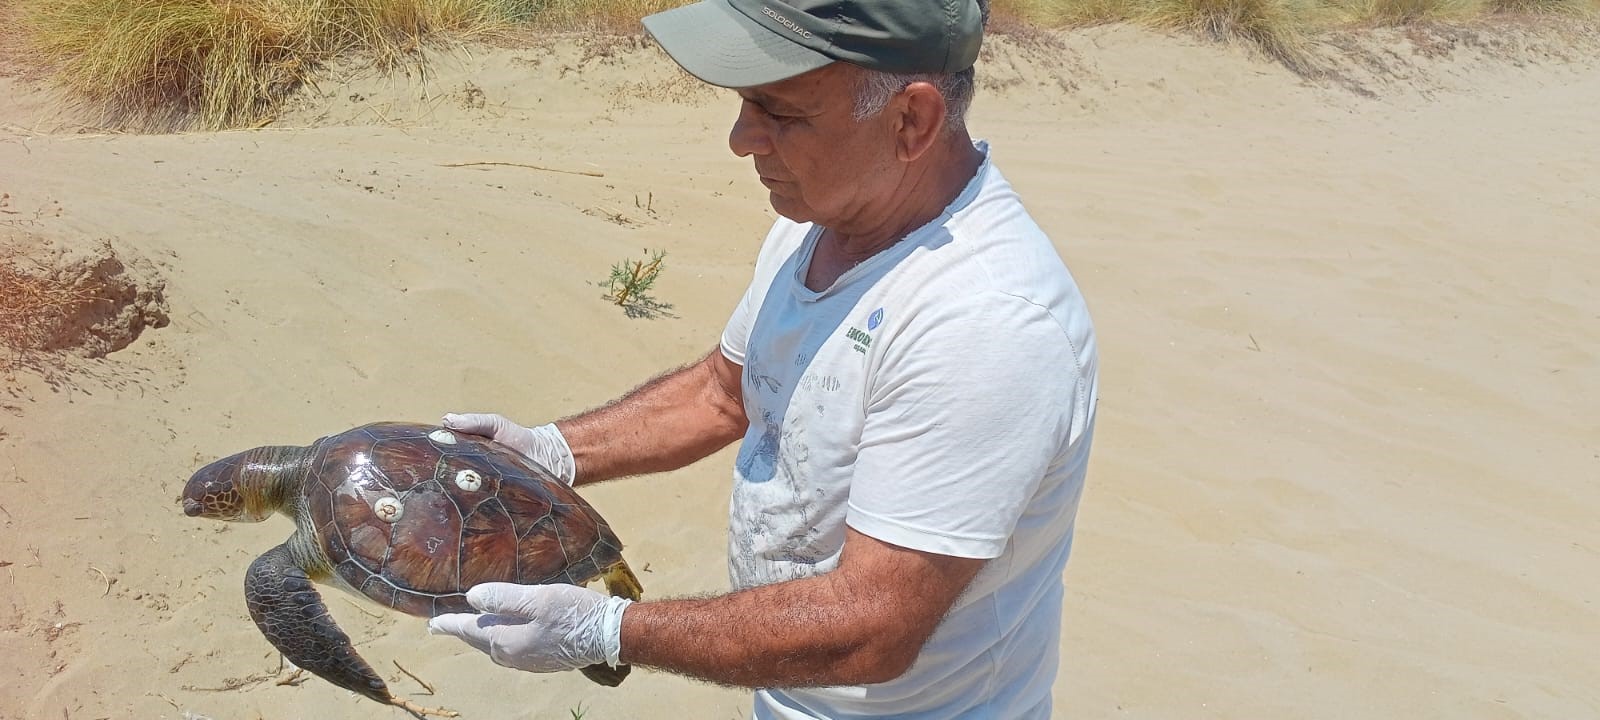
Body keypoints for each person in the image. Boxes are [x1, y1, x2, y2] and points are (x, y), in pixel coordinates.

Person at [426, 0, 1100, 716]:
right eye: (746, 104)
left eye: (781, 113)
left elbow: (871, 629)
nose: (742, 139)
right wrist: (550, 453)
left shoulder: (984, 322)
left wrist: (608, 630)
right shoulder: (827, 220)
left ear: (912, 121)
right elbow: (726, 391)